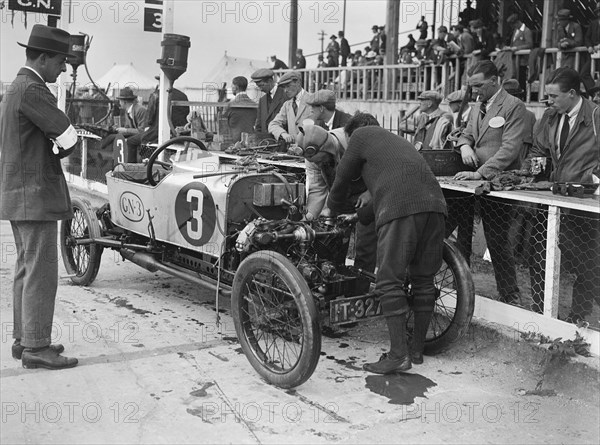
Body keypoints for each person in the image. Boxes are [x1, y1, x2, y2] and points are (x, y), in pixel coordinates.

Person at [326, 114, 447, 373]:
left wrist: (332, 209)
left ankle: (396, 356)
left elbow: (342, 177)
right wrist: (358, 216)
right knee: (424, 280)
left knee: (388, 280)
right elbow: (390, 188)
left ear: (351, 133)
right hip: (435, 205)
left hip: (402, 208)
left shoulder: (359, 136)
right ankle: (415, 351)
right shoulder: (395, 142)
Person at [0, 24, 79, 370]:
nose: (62, 69)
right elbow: (69, 137)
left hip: (17, 194)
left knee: (26, 267)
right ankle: (36, 346)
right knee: (41, 272)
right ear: (44, 57)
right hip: (36, 196)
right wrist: (54, 149)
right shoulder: (34, 90)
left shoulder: (14, 89)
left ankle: (24, 339)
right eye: (60, 61)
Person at [524, 67, 600, 321]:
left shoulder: (596, 115)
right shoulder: (550, 116)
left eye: (554, 96)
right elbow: (539, 149)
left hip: (584, 201)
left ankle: (579, 318)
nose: (549, 101)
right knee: (540, 253)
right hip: (552, 197)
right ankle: (540, 312)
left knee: (585, 261)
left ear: (571, 93)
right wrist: (539, 174)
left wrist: (590, 179)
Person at [454, 60, 527, 305]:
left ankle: (509, 294)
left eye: (478, 85)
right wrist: (464, 145)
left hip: (497, 183)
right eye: (471, 86)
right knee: (462, 236)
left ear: (494, 81)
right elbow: (467, 133)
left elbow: (509, 149)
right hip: (470, 181)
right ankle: (460, 286)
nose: (474, 91)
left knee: (497, 239)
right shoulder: (477, 105)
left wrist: (480, 173)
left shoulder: (514, 106)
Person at [296, 122, 377, 295]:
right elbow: (318, 188)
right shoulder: (312, 159)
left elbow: (381, 169)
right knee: (331, 244)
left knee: (364, 249)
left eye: (322, 160)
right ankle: (333, 295)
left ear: (327, 148)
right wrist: (308, 218)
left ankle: (357, 299)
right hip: (340, 200)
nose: (320, 164)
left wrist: (370, 192)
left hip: (366, 199)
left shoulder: (353, 140)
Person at [128, 76, 190, 158]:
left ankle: (136, 166)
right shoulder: (183, 95)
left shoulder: (156, 94)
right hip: (180, 134)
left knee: (130, 141)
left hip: (157, 133)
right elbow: (186, 113)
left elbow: (149, 119)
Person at [268, 71, 312, 143]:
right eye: (283, 87)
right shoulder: (287, 105)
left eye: (288, 86)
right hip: (293, 151)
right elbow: (273, 124)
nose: (285, 90)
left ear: (298, 83)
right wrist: (283, 133)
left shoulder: (313, 100)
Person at [251, 68, 286, 137]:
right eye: (258, 87)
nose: (260, 89)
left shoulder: (285, 96)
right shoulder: (262, 100)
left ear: (270, 81)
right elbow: (259, 126)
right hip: (266, 143)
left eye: (261, 85)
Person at [223, 76, 257, 143]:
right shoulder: (254, 105)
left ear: (236, 87)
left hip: (234, 142)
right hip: (250, 141)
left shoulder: (229, 105)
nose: (231, 88)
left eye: (232, 86)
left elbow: (223, 126)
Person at [505, 13, 533, 92]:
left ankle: (522, 94)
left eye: (513, 25)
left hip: (522, 60)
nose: (512, 27)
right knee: (514, 76)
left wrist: (517, 48)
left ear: (517, 22)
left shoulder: (526, 31)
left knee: (521, 77)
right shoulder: (515, 31)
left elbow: (529, 44)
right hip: (514, 60)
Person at [581, 5, 600, 96]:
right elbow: (587, 37)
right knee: (584, 73)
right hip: (595, 54)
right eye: (598, 11)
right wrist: (589, 46)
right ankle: (595, 94)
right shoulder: (593, 23)